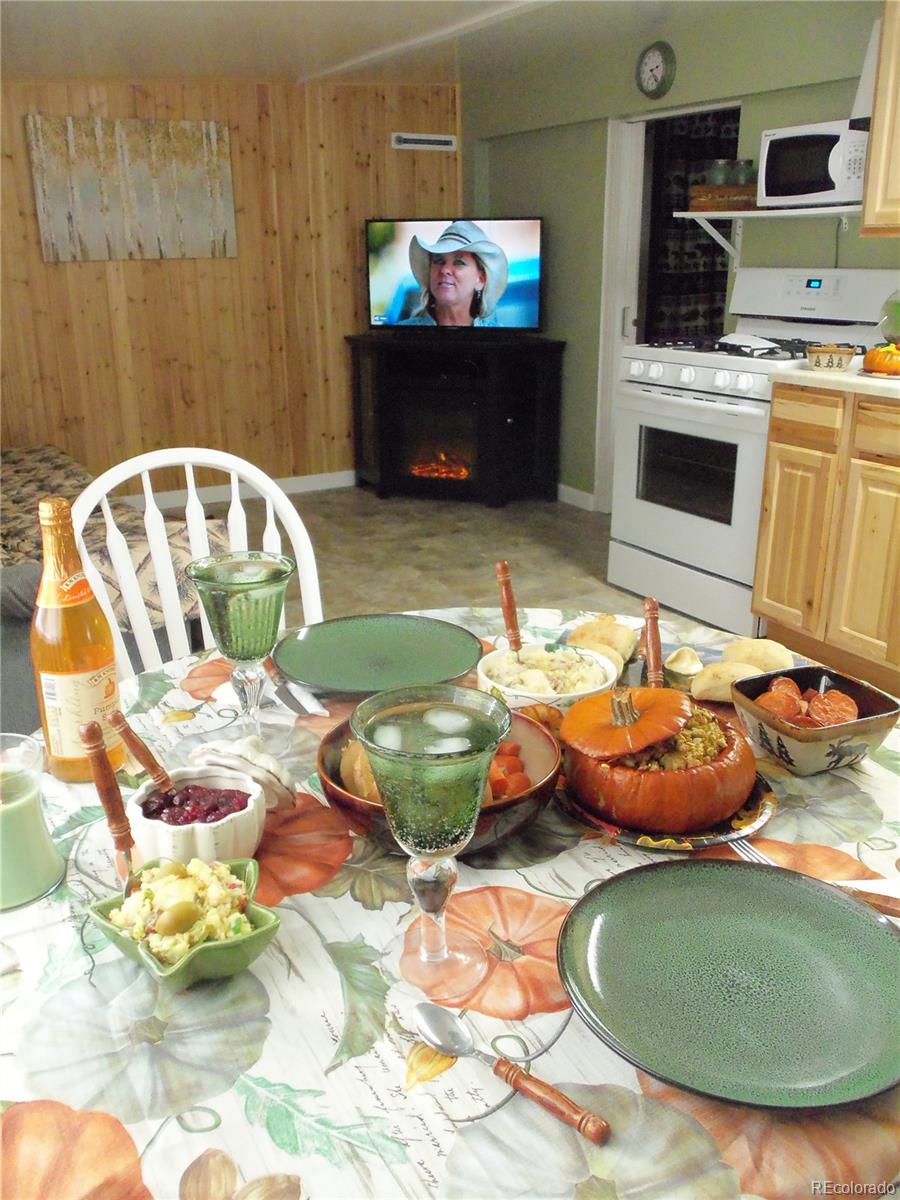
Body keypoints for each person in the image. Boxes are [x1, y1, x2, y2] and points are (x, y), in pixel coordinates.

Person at [400, 220, 509, 327]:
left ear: (480, 279)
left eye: (459, 262)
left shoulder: (500, 336)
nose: (444, 270)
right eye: (438, 261)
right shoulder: (403, 334)